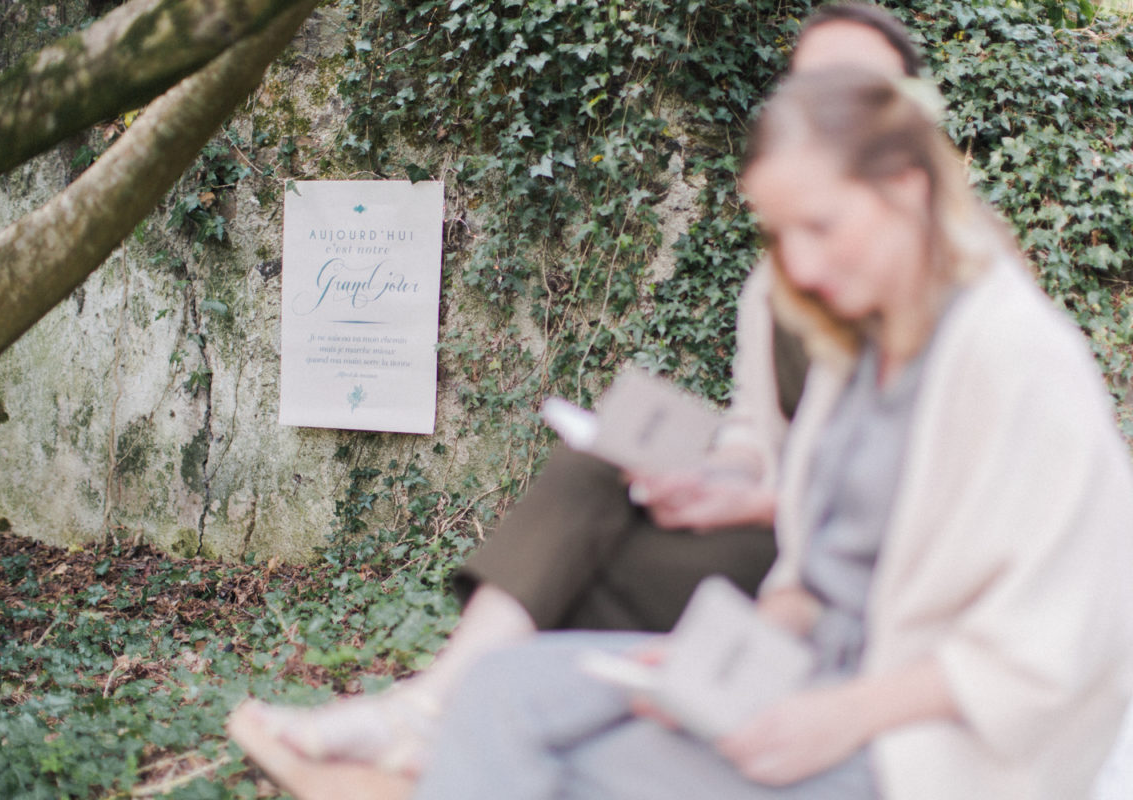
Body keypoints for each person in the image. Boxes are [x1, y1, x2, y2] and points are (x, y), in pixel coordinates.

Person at [384, 66, 1133, 800]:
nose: (801, 267)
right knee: (498, 688)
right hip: (807, 676)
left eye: (821, 225)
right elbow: (810, 581)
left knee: (569, 768)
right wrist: (713, 672)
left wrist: (840, 715)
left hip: (929, 739)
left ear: (908, 189)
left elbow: (1064, 639)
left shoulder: (1015, 357)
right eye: (781, 235)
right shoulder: (855, 353)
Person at [230, 4, 932, 778]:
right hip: (778, 542)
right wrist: (714, 480)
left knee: (592, 571)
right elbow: (752, 432)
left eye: (857, 91)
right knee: (594, 467)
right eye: (811, 88)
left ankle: (443, 724)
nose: (830, 113)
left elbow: (913, 506)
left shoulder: (951, 296)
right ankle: (430, 711)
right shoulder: (779, 280)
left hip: (849, 577)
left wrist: (763, 503)